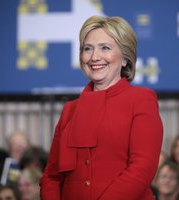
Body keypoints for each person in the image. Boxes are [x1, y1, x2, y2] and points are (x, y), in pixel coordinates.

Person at [40, 15, 163, 200]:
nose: (94, 57)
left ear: (125, 58)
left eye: (105, 48)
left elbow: (142, 168)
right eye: (87, 49)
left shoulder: (141, 100)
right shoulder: (70, 110)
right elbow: (51, 176)